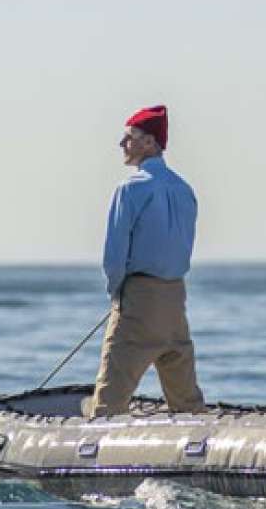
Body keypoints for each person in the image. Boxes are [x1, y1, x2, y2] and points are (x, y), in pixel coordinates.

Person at [86, 105, 206, 417]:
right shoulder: (185, 190)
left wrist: (117, 295)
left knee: (109, 401)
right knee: (186, 400)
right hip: (175, 297)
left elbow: (113, 258)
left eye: (129, 138)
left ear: (150, 143)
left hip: (138, 300)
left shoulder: (130, 189)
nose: (122, 145)